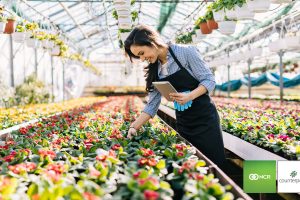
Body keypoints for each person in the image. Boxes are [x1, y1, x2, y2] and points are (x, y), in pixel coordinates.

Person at [124, 25, 226, 169]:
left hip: (205, 119)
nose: (142, 59)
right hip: (184, 121)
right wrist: (134, 127)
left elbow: (209, 80)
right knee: (190, 163)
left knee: (214, 162)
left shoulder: (185, 52)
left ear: (151, 42)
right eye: (138, 56)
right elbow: (152, 105)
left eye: (141, 53)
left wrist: (190, 96)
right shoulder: (155, 69)